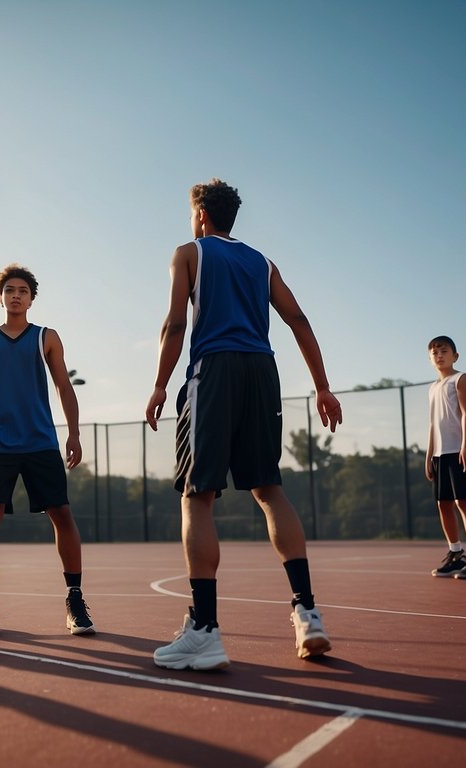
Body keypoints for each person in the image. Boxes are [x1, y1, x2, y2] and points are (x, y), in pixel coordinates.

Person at [144, 178, 341, 670]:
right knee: (269, 488)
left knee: (197, 495)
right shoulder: (261, 261)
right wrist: (322, 386)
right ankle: (307, 613)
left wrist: (160, 384)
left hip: (213, 370)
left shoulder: (189, 252)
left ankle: (205, 630)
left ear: (202, 216)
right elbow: (299, 320)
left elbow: (174, 324)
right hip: (262, 371)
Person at [0, 263, 93, 637]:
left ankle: (75, 599)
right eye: (9, 290)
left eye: (22, 291)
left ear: (31, 298)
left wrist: (73, 432)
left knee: (61, 513)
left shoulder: (46, 336)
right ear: (0, 297)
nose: (15, 295)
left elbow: (63, 385)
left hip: (40, 440)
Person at [424, 335, 466, 580]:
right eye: (434, 352)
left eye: (443, 350)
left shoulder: (461, 379)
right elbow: (433, 424)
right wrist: (429, 455)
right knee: (443, 504)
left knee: (463, 502)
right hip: (440, 455)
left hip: (458, 451)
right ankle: (456, 554)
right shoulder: (433, 388)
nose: (439, 354)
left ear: (455, 355)